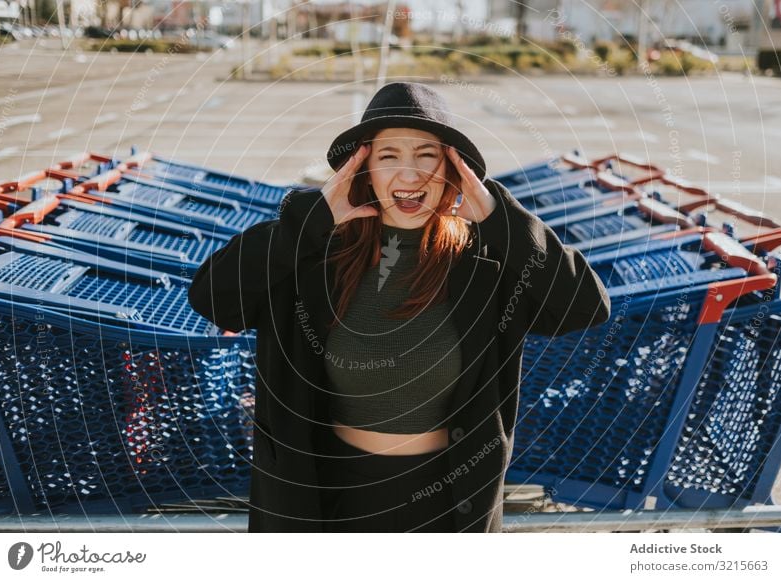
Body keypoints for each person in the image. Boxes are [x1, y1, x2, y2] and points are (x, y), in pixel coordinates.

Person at [187, 81, 612, 533]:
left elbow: (584, 307)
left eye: (427, 155)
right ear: (364, 169)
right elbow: (215, 300)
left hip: (450, 504)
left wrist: (500, 216)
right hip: (325, 499)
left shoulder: (484, 261)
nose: (409, 175)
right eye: (389, 156)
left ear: (453, 167)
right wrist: (307, 221)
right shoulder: (317, 256)